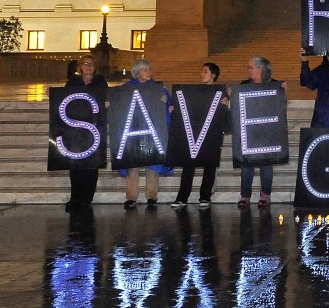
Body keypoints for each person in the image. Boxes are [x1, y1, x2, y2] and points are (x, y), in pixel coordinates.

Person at [117, 58, 173, 210]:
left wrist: (166, 102)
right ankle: (131, 197)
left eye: (149, 69)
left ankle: (152, 196)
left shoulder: (158, 89)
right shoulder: (125, 89)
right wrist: (110, 103)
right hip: (133, 129)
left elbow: (170, 106)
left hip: (152, 129)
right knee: (131, 164)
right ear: (137, 72)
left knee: (152, 164)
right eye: (145, 69)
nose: (149, 72)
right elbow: (116, 104)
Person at [171, 62, 227, 210]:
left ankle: (205, 196)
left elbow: (225, 114)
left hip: (211, 134)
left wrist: (226, 104)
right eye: (201, 71)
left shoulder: (221, 93)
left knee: (209, 165)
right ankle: (182, 197)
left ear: (213, 75)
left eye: (205, 71)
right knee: (188, 166)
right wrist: (174, 109)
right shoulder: (193, 92)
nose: (201, 74)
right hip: (194, 134)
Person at [238, 56, 286, 209]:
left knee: (266, 164)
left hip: (267, 131)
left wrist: (283, 92)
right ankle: (245, 195)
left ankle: (265, 194)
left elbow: (280, 107)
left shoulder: (275, 85)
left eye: (251, 67)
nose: (248, 70)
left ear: (261, 69)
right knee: (246, 165)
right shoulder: (243, 85)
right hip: (249, 131)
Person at [63, 56, 107, 211]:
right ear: (80, 66)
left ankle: (87, 198)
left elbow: (106, 98)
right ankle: (75, 197)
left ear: (95, 68)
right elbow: (63, 99)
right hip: (75, 128)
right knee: (74, 166)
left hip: (94, 128)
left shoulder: (100, 82)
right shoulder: (73, 83)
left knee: (91, 165)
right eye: (85, 64)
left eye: (92, 64)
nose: (89, 67)